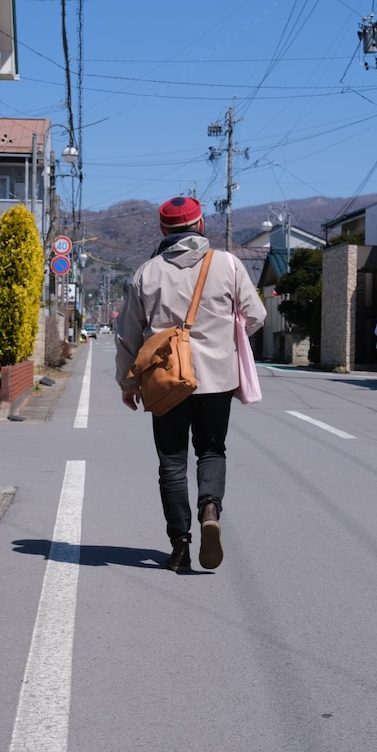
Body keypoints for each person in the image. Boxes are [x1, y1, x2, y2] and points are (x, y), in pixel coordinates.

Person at [115, 195, 266, 573]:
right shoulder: (228, 264)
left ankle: (180, 543)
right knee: (212, 450)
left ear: (163, 230)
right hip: (217, 380)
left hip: (165, 380)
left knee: (172, 461)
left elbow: (127, 336)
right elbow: (256, 315)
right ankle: (210, 508)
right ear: (200, 226)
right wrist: (227, 338)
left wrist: (127, 383)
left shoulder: (147, 273)